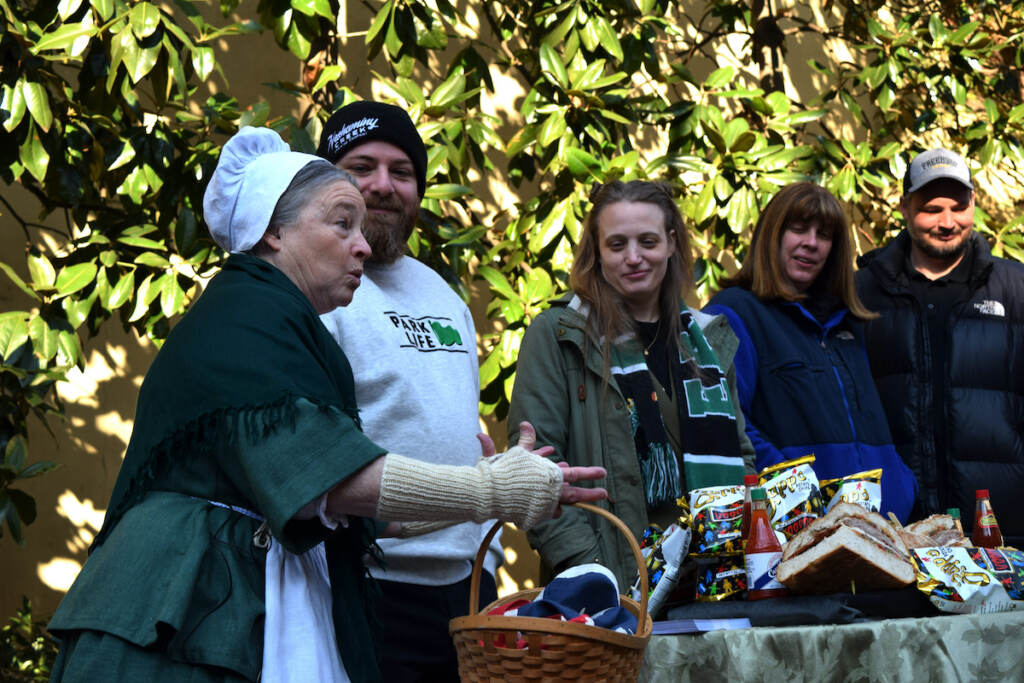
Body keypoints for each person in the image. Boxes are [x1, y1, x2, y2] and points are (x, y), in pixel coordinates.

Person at [46, 126, 607, 682]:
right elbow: (326, 480)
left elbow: (332, 510)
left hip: (234, 599)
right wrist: (490, 489)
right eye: (342, 222)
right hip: (182, 618)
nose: (363, 244)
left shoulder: (281, 319)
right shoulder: (244, 317)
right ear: (273, 233)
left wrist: (475, 493)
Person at [314, 100, 499, 681]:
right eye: (361, 167)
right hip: (374, 584)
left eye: (402, 171)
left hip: (471, 590)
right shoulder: (314, 293)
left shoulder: (443, 295)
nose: (383, 186)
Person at [508, 180, 754, 591]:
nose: (634, 257)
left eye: (648, 241)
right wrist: (595, 570)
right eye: (617, 244)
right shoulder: (560, 335)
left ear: (672, 243)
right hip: (608, 591)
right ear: (597, 251)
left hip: (711, 584)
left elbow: (741, 455)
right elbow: (535, 472)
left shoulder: (706, 341)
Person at [704, 182, 917, 523]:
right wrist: (803, 497)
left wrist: (902, 485)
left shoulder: (847, 324)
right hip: (799, 533)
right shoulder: (734, 313)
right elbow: (727, 426)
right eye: (798, 229)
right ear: (772, 235)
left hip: (881, 530)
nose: (812, 243)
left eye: (825, 234)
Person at [856, 148, 1024, 544]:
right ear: (904, 208)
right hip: (897, 532)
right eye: (932, 209)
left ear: (974, 204)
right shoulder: (861, 293)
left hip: (1005, 530)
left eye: (958, 207)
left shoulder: (1016, 289)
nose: (948, 222)